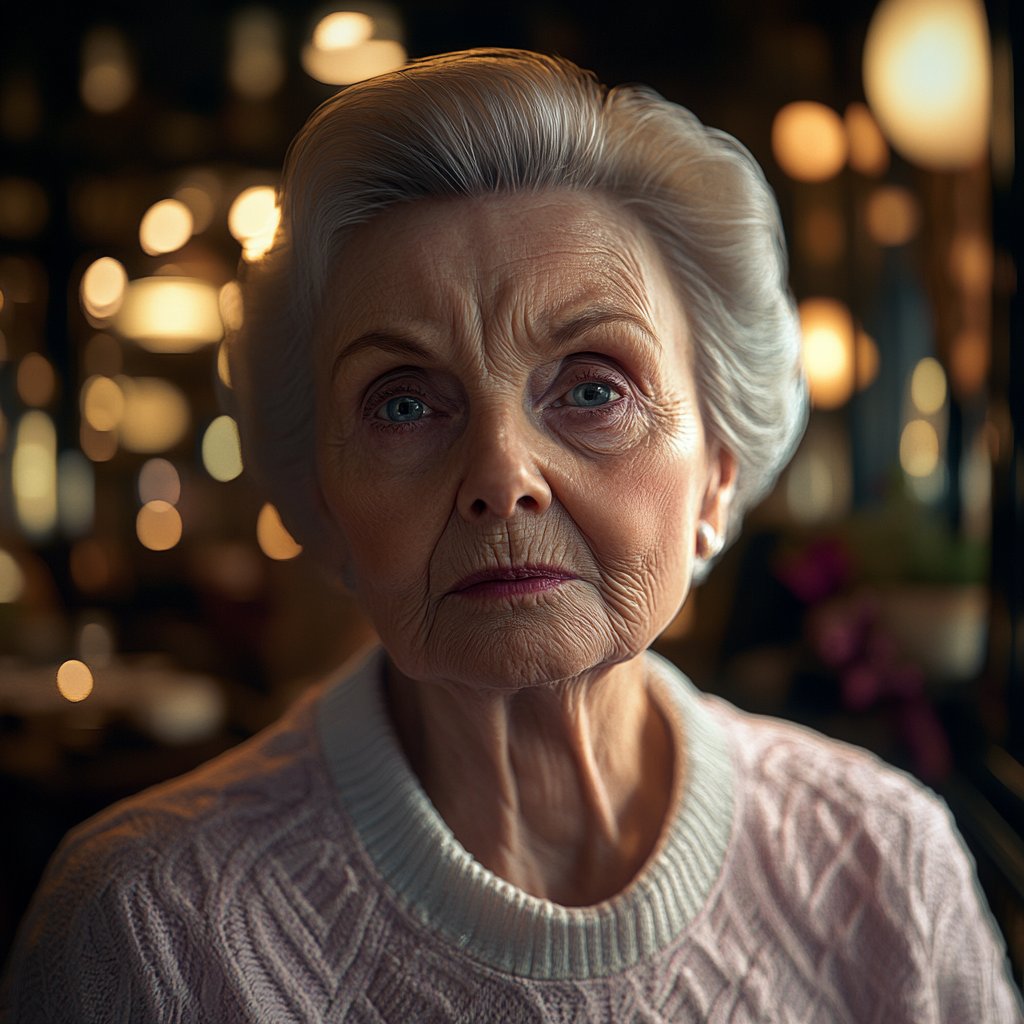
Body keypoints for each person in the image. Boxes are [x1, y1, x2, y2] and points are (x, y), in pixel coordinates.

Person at [2, 48, 1020, 1023]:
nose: (501, 476)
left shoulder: (885, 867)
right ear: (324, 508)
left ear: (716, 474)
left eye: (591, 388)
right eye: (403, 404)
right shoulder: (149, 932)